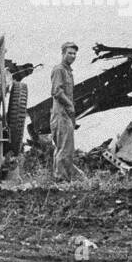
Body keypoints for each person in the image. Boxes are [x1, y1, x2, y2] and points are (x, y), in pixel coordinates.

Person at [50, 42, 81, 180]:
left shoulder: (68, 71)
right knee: (64, 149)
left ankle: (64, 177)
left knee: (65, 147)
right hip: (61, 114)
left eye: (74, 53)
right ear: (63, 53)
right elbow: (57, 91)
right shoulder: (59, 70)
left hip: (66, 114)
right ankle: (60, 179)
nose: (72, 56)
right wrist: (70, 106)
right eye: (70, 53)